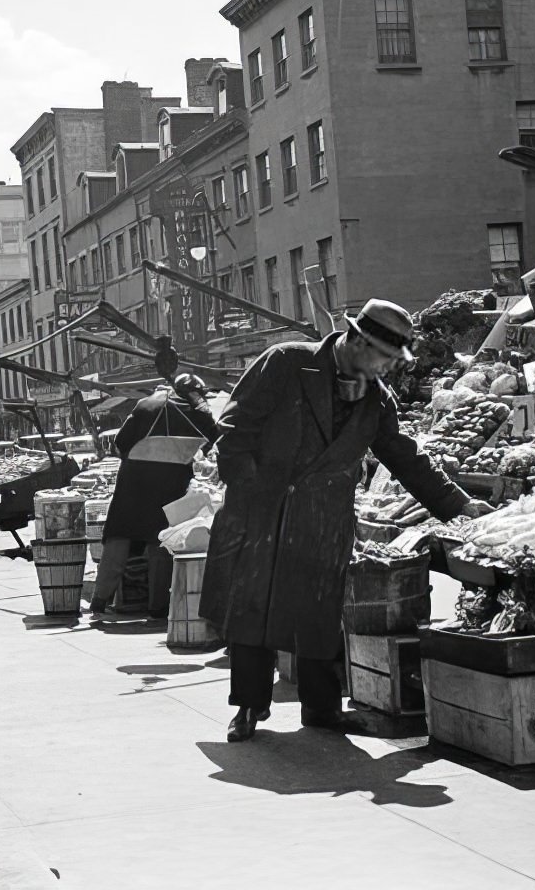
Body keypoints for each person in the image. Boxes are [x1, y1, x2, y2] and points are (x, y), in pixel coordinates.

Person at [199, 299, 493, 743]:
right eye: (385, 357)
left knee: (319, 615)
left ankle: (322, 710)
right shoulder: (287, 362)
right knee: (252, 612)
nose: (389, 368)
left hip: (323, 522)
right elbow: (235, 430)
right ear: (356, 340)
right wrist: (248, 493)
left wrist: (459, 506)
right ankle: (248, 706)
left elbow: (405, 457)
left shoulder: (375, 400)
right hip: (263, 511)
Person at [91, 373, 218, 620]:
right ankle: (157, 606)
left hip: (134, 481)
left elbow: (121, 441)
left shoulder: (147, 404)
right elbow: (213, 439)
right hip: (170, 484)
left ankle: (99, 600)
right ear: (195, 393)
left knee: (119, 536)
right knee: (160, 541)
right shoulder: (199, 413)